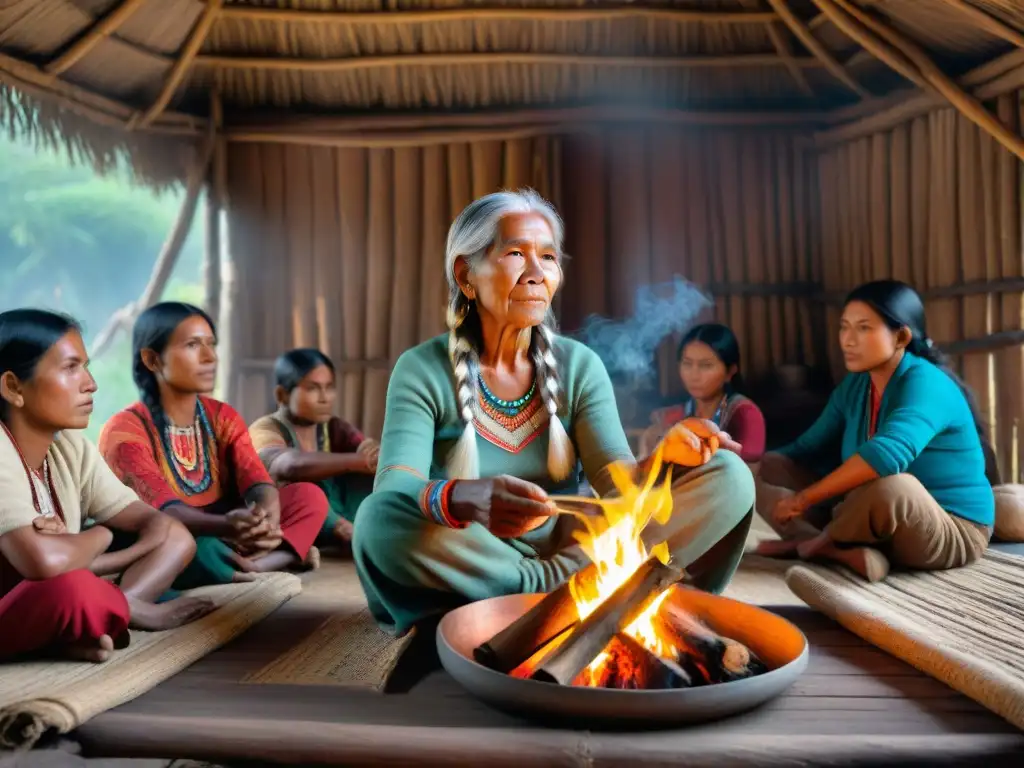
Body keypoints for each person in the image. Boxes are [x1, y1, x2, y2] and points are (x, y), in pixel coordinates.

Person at [352, 189, 755, 637]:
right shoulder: (422, 369)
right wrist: (465, 497)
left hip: (571, 549)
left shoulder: (578, 365)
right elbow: (396, 488)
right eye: (514, 253)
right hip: (474, 554)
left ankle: (537, 597)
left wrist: (665, 460)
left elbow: (619, 486)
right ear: (466, 274)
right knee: (377, 520)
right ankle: (566, 594)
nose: (536, 273)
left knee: (728, 474)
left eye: (547, 257)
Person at [0, 309, 214, 662]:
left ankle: (101, 617)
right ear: (12, 387)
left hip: (45, 589)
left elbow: (159, 525)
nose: (90, 383)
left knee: (177, 538)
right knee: (73, 589)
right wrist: (100, 537)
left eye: (86, 366)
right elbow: (44, 563)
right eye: (70, 368)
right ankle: (123, 612)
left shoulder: (68, 447)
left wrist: (77, 553)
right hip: (23, 599)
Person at [754, 280, 993, 582]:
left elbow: (887, 457)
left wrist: (802, 500)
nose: (848, 340)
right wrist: (747, 465)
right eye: (844, 327)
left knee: (894, 486)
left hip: (949, 528)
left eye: (864, 328)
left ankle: (816, 544)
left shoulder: (926, 384)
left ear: (901, 336)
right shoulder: (856, 385)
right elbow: (806, 446)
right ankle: (839, 549)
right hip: (865, 515)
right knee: (766, 467)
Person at [98, 303, 329, 589]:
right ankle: (272, 561)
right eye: (193, 345)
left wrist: (265, 516)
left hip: (232, 528)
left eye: (212, 345)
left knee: (309, 497)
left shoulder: (222, 416)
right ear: (152, 360)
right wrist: (226, 527)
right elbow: (164, 514)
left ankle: (249, 567)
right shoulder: (125, 431)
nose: (210, 357)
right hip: (178, 533)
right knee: (189, 545)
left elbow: (255, 479)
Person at [249, 348, 379, 548]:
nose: (324, 398)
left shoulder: (334, 428)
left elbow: (374, 454)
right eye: (312, 388)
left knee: (378, 479)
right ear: (282, 395)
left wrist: (377, 460)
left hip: (339, 510)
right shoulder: (266, 428)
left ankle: (371, 529)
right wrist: (361, 461)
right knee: (307, 490)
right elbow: (289, 466)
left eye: (329, 387)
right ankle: (345, 530)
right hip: (299, 515)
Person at [640, 323, 766, 465]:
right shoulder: (673, 414)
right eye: (687, 364)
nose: (694, 375)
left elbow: (745, 476)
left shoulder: (745, 414)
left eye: (706, 365)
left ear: (730, 371)